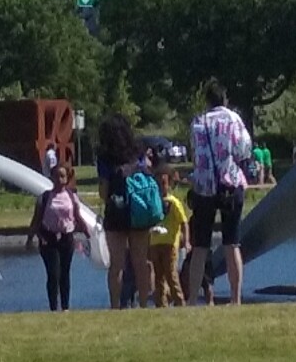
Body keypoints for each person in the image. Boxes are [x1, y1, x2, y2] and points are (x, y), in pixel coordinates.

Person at [187, 81, 254, 306]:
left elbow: (196, 154)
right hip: (230, 183)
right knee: (231, 243)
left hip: (205, 186)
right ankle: (235, 298)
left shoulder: (198, 122)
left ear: (207, 101)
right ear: (225, 99)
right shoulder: (234, 120)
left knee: (199, 247)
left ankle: (191, 299)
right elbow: (243, 150)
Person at [97, 114, 154, 308]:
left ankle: (115, 306)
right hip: (140, 210)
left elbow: (103, 192)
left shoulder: (105, 157)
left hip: (116, 212)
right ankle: (145, 304)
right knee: (141, 262)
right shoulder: (137, 151)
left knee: (116, 265)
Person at [26, 163, 86, 311]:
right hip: (48, 239)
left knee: (65, 273)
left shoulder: (72, 196)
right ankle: (53, 307)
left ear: (67, 178)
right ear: (51, 177)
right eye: (56, 176)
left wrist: (90, 234)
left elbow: (78, 217)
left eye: (62, 176)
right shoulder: (45, 197)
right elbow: (36, 219)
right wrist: (30, 238)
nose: (59, 179)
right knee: (53, 274)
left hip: (66, 238)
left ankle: (65, 307)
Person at [148, 164, 189, 307]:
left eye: (163, 183)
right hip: (155, 243)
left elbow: (184, 222)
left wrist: (186, 241)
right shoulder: (153, 202)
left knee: (171, 273)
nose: (161, 187)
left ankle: (179, 301)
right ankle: (161, 303)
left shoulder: (174, 203)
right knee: (158, 275)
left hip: (170, 243)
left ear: (169, 184)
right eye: (158, 183)